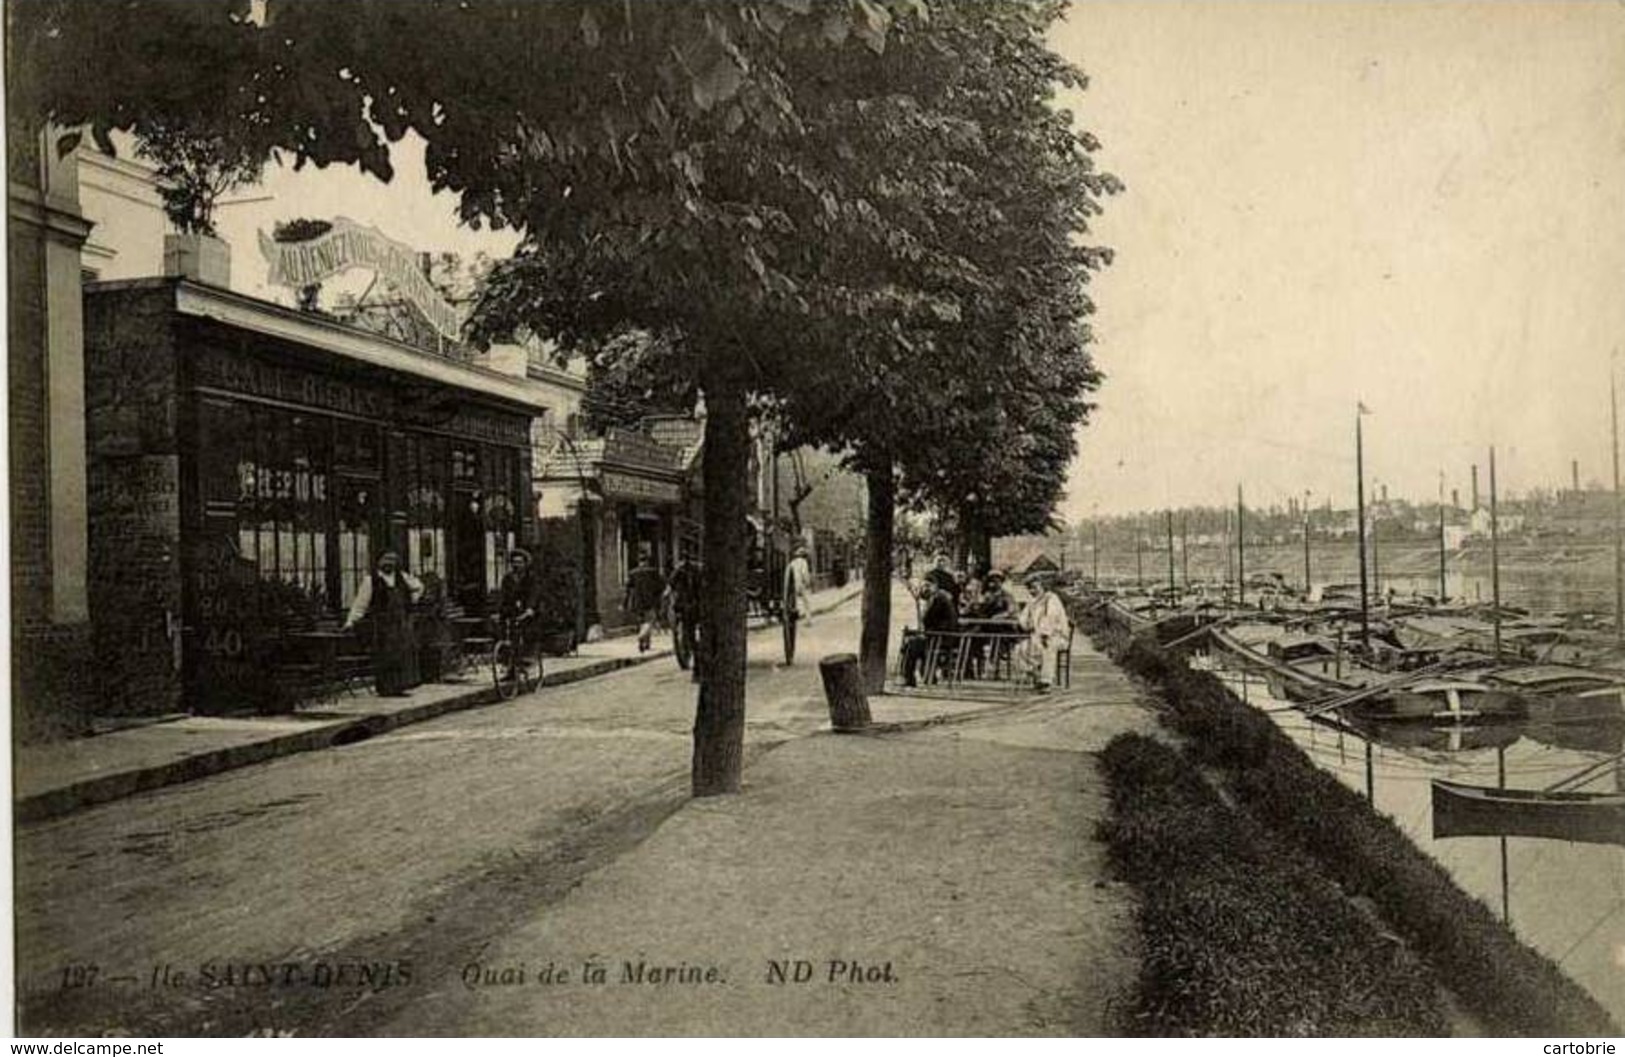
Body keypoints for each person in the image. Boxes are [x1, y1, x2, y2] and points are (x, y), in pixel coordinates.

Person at [343, 551, 424, 696]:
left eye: (393, 559)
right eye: (386, 559)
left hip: (400, 623)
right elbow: (361, 603)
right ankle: (386, 688)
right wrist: (351, 621)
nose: (389, 563)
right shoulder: (371, 580)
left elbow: (419, 587)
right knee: (386, 655)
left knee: (403, 654)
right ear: (379, 562)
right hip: (382, 626)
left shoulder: (402, 577)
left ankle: (400, 686)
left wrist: (412, 600)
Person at [1017, 573, 1071, 692]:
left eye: (1035, 587)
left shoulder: (1051, 598)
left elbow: (1051, 616)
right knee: (1021, 648)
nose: (1033, 590)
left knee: (1047, 647)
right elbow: (1023, 618)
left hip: (1056, 635)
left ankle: (1046, 681)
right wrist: (1027, 623)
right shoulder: (1032, 602)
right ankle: (1036, 673)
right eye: (1030, 588)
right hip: (1037, 636)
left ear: (1041, 586)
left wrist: (1045, 633)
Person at [902, 575, 960, 688]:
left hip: (941, 638)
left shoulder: (939, 599)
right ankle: (928, 675)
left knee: (911, 646)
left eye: (928, 586)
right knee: (914, 645)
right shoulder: (937, 597)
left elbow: (934, 621)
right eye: (924, 586)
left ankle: (909, 678)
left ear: (935, 586)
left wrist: (924, 633)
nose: (925, 589)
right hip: (937, 636)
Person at [497, 548, 543, 661]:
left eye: (520, 562)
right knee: (506, 633)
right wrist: (501, 610)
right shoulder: (507, 578)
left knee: (528, 631)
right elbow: (503, 595)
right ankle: (508, 662)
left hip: (527, 610)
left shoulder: (531, 578)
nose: (516, 565)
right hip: (512, 610)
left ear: (525, 564)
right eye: (514, 562)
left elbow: (534, 593)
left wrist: (530, 608)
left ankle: (528, 656)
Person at [666, 551, 704, 680]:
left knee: (691, 637)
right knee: (695, 637)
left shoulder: (679, 571)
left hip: (687, 609)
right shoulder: (699, 569)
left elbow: (670, 588)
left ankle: (697, 666)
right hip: (698, 607)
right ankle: (698, 665)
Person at [623, 548, 666, 652]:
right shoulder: (653, 572)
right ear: (647, 561)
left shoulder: (633, 573)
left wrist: (625, 603)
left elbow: (628, 589)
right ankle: (642, 636)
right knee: (649, 622)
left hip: (637, 602)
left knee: (641, 622)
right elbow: (661, 586)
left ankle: (646, 643)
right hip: (650, 601)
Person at [784, 542, 814, 627]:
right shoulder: (803, 562)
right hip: (802, 585)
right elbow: (805, 574)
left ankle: (794, 615)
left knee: (795, 602)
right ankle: (808, 620)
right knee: (806, 603)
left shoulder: (792, 563)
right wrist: (808, 583)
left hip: (794, 585)